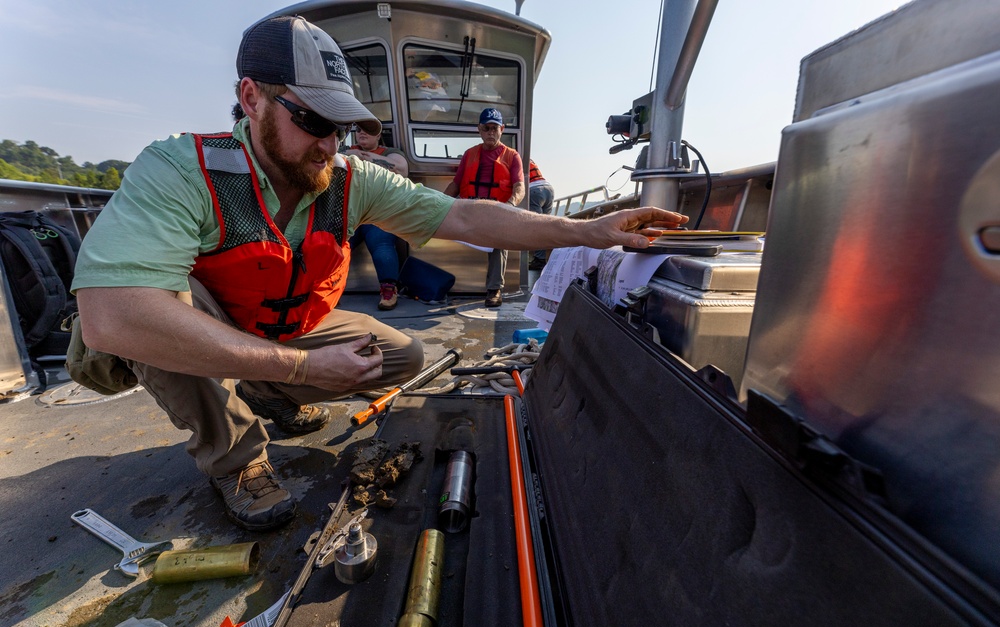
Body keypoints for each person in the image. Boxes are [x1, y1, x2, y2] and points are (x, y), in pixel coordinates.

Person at [72, 15, 687, 531]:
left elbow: (466, 216)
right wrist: (305, 367)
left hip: (277, 331)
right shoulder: (180, 169)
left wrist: (586, 232)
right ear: (252, 96)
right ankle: (236, 458)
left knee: (402, 357)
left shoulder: (349, 180)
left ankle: (263, 389)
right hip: (213, 331)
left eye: (339, 128)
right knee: (156, 311)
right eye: (313, 121)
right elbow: (114, 314)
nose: (328, 146)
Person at [443, 108, 525, 308]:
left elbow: (519, 187)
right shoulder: (469, 154)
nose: (491, 132)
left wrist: (510, 206)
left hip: (495, 212)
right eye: (486, 128)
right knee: (431, 227)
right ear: (479, 129)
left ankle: (494, 289)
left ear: (502, 129)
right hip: (469, 210)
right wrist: (439, 203)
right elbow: (456, 184)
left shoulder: (512, 156)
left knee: (499, 239)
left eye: (494, 128)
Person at [343, 126, 409, 310]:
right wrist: (353, 154)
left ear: (379, 134)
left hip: (377, 214)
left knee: (381, 245)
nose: (362, 133)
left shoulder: (391, 153)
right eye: (359, 130)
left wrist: (364, 158)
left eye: (368, 130)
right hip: (351, 214)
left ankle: (389, 290)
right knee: (334, 244)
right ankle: (325, 289)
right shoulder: (344, 151)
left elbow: (402, 169)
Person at [527, 158, 555, 270]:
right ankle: (545, 258)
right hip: (548, 189)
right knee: (544, 226)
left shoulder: (513, 159)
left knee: (537, 226)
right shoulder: (529, 159)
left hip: (534, 190)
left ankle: (539, 260)